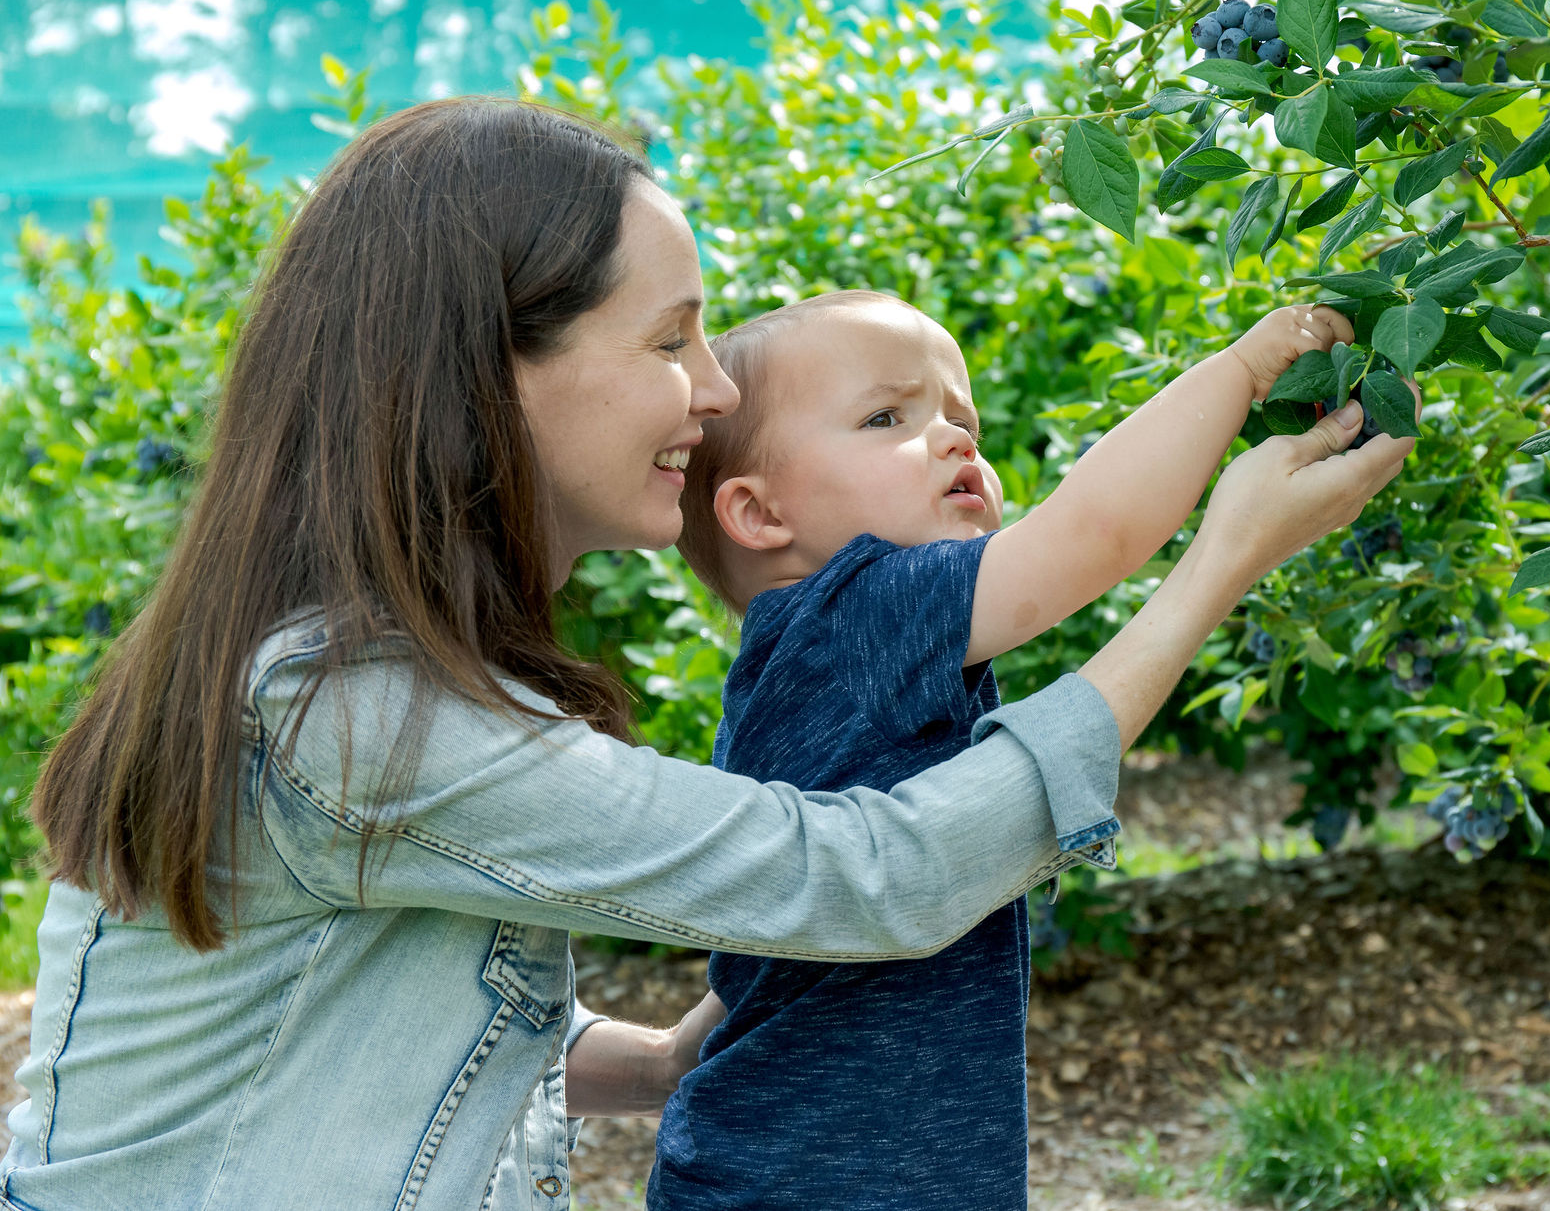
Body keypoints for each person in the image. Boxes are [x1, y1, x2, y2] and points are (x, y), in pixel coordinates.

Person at [2, 97, 1413, 1211]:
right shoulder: (358, 719)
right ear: (494, 374)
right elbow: (874, 875)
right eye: (673, 340)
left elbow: (385, 1022)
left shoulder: (364, 682)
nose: (719, 389)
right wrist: (1219, 565)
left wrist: (685, 1055)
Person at [649, 289, 1381, 1210]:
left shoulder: (833, 658)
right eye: (888, 417)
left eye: (964, 419)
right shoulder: (855, 612)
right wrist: (1238, 372)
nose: (957, 440)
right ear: (759, 514)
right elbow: (1092, 532)